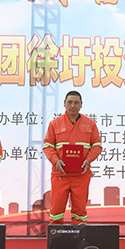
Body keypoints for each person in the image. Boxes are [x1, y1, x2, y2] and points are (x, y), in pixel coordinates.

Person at [42, 90, 103, 224]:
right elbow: (48, 146)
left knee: (80, 211)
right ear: (64, 104)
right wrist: (56, 161)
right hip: (60, 174)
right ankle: (56, 236)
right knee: (56, 211)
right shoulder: (54, 123)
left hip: (81, 174)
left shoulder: (90, 124)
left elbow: (97, 145)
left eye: (76, 102)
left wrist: (88, 160)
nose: (73, 105)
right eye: (70, 102)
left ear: (81, 104)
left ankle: (79, 236)